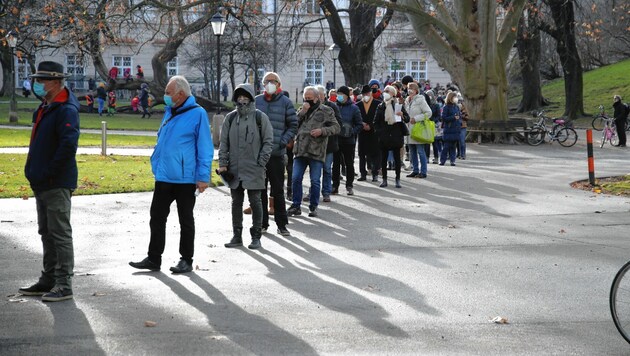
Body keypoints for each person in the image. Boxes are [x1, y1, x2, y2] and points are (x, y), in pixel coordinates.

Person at [129, 75, 213, 273]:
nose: (165, 96)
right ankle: (153, 258)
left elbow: (205, 148)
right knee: (156, 217)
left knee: (185, 220)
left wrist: (203, 177)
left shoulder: (198, 113)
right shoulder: (169, 111)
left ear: (181, 94)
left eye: (168, 93)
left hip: (185, 178)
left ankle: (186, 260)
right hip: (164, 176)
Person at [20, 61, 80, 302]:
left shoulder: (65, 109)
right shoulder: (47, 106)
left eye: (42, 80)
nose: (38, 84)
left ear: (56, 82)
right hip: (43, 181)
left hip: (56, 181)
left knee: (60, 232)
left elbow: (68, 146)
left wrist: (50, 173)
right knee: (46, 231)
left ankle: (64, 283)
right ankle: (49, 278)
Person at [220, 84, 274, 249]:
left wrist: (261, 162)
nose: (242, 100)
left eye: (245, 97)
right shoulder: (230, 118)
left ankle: (256, 235)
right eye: (239, 97)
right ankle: (237, 235)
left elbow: (268, 141)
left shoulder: (260, 117)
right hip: (234, 168)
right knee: (236, 202)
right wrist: (223, 163)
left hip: (254, 167)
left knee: (255, 201)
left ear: (251, 98)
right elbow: (224, 143)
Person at [287, 86, 340, 217]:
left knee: (315, 180)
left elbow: (336, 127)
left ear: (317, 98)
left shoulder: (326, 110)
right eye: (305, 98)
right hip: (300, 150)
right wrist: (302, 112)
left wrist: (322, 131)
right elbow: (294, 124)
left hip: (316, 150)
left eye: (310, 98)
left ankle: (313, 206)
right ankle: (296, 205)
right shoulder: (302, 109)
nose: (307, 100)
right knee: (295, 178)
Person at [255, 72, 297, 236]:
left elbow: (293, 124)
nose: (270, 84)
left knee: (277, 190)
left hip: (277, 153)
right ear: (263, 84)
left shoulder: (286, 102)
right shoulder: (257, 101)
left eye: (273, 81)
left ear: (279, 84)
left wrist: (283, 140)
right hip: (259, 154)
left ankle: (282, 224)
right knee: (260, 190)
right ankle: (262, 223)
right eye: (267, 81)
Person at [374, 85, 409, 188]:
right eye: (384, 91)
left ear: (393, 93)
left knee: (397, 159)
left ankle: (397, 179)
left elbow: (407, 119)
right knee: (383, 159)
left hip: (396, 135)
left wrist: (402, 114)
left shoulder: (398, 105)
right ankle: (384, 179)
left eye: (387, 91)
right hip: (384, 136)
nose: (385, 92)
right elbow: (375, 122)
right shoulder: (381, 106)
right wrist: (380, 132)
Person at [332, 85, 363, 195]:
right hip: (336, 139)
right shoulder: (334, 107)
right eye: (338, 94)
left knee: (349, 163)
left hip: (348, 140)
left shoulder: (354, 108)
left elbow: (359, 124)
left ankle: (349, 185)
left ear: (347, 96)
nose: (339, 96)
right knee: (335, 163)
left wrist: (352, 132)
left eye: (342, 94)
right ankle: (334, 185)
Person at [316, 85, 342, 202]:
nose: (318, 98)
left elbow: (338, 124)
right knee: (314, 170)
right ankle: (313, 191)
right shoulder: (311, 106)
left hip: (328, 144)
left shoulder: (332, 107)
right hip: (314, 145)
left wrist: (323, 129)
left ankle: (326, 192)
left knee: (327, 169)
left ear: (324, 96)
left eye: (320, 96)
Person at [405, 82, 432, 178]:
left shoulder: (420, 100)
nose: (409, 90)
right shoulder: (407, 100)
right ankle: (415, 170)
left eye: (411, 88)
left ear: (416, 90)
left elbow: (428, 113)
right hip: (409, 129)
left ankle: (423, 171)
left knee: (420, 151)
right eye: (408, 88)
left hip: (418, 129)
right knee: (412, 151)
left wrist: (416, 118)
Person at [357, 84, 382, 182]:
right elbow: (356, 117)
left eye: (367, 93)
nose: (366, 95)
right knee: (362, 154)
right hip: (362, 132)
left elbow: (380, 118)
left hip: (374, 132)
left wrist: (371, 125)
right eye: (364, 94)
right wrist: (362, 124)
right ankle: (363, 173)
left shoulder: (378, 104)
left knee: (375, 153)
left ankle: (375, 173)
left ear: (371, 93)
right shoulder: (358, 105)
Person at [440, 91, 462, 166]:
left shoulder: (456, 107)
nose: (456, 99)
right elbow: (443, 117)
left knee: (453, 146)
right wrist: (453, 117)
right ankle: (442, 160)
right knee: (446, 146)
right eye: (454, 97)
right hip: (449, 129)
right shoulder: (446, 107)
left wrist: (459, 122)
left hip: (455, 129)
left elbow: (460, 116)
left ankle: (452, 160)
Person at [455, 92, 469, 159]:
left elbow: (467, 117)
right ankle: (458, 153)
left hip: (463, 126)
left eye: (460, 101)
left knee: (462, 141)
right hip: (456, 126)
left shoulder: (464, 108)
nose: (459, 102)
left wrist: (461, 115)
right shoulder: (454, 108)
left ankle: (463, 154)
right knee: (457, 141)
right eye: (458, 101)